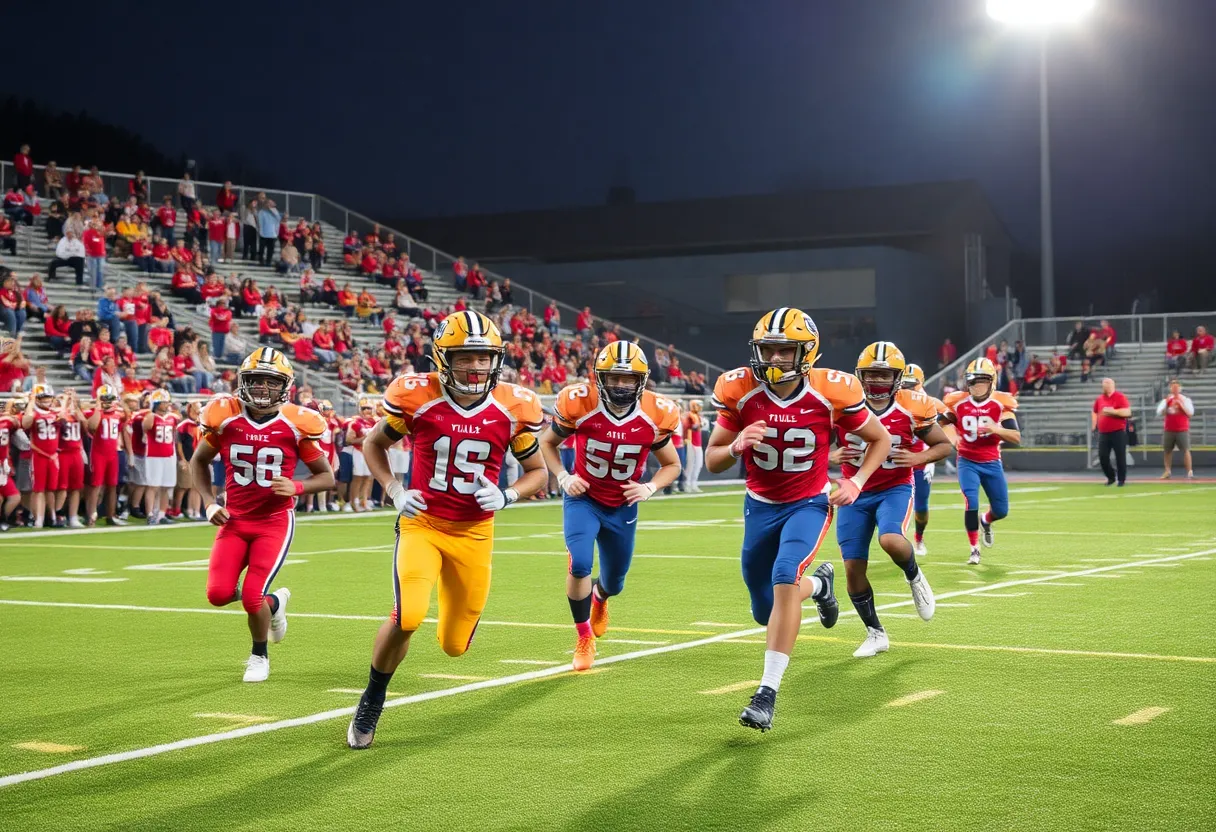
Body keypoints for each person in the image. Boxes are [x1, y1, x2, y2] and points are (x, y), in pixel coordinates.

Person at [345, 311, 548, 749]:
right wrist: (394, 489)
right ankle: (373, 697)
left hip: (475, 533)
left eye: (484, 357)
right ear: (442, 358)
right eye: (465, 357)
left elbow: (538, 472)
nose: (476, 366)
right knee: (409, 615)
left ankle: (454, 624)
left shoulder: (513, 406)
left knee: (455, 646)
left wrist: (509, 495)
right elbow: (372, 443)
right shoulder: (417, 396)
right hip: (423, 524)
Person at [705, 308, 890, 732]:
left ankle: (766, 693)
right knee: (763, 608)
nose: (773, 360)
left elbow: (879, 438)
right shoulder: (739, 390)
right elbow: (713, 460)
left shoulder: (833, 390)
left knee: (785, 573)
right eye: (766, 350)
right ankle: (821, 584)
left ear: (806, 353)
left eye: (783, 351)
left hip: (808, 502)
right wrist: (735, 446)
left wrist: (858, 482)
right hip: (759, 505)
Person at [191, 348, 334, 682]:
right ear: (243, 382)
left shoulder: (295, 424)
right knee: (218, 594)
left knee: (251, 594)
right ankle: (274, 603)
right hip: (235, 519)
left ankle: (259, 655)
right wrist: (209, 503)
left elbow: (326, 476)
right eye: (256, 381)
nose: (263, 389)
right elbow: (198, 462)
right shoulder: (224, 418)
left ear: (284, 386)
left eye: (271, 382)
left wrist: (297, 487)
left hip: (274, 521)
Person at [538, 342, 682, 671]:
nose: (620, 385)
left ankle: (600, 598)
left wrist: (649, 487)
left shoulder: (655, 413)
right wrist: (562, 477)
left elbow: (671, 464)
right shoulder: (581, 403)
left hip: (623, 505)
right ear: (599, 377)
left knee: (615, 580)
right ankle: (583, 636)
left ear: (641, 381)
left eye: (628, 378)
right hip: (583, 497)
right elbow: (547, 442)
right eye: (613, 377)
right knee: (580, 563)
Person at [829, 343, 949, 657]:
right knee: (852, 568)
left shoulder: (912, 405)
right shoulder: (841, 405)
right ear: (860, 375)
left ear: (898, 377)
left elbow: (944, 445)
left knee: (891, 540)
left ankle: (914, 575)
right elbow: (814, 445)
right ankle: (875, 632)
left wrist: (919, 456)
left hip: (894, 487)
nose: (877, 381)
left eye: (884, 374)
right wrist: (832, 455)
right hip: (855, 492)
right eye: (871, 374)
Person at [940, 358, 1020, 565]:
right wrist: (952, 437)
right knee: (971, 502)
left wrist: (996, 429)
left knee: (1001, 511)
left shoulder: (1001, 405)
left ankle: (986, 521)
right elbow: (941, 423)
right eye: (973, 381)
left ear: (991, 381)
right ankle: (974, 549)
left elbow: (1016, 437)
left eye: (982, 381)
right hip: (967, 460)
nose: (977, 386)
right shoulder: (958, 403)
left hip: (992, 461)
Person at [899, 364, 948, 555]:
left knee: (921, 507)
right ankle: (896, 537)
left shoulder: (930, 402)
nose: (908, 389)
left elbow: (951, 419)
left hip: (921, 460)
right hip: (897, 459)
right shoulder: (893, 399)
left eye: (912, 385)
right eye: (905, 384)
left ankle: (919, 538)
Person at [85, 385, 128, 526]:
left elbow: (127, 417)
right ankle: (91, 515)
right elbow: (91, 426)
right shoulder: (96, 412)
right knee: (96, 486)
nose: (108, 402)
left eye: (110, 399)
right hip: (98, 453)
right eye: (104, 399)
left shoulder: (117, 413)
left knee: (112, 486)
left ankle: (111, 515)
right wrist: (98, 407)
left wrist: (121, 402)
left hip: (113, 453)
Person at [22, 384, 62, 528]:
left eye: (48, 397)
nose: (46, 400)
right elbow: (25, 423)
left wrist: (68, 399)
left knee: (51, 489)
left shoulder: (54, 413)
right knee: (38, 489)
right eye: (43, 397)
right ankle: (38, 519)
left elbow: (65, 416)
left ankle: (51, 517)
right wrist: (31, 402)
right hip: (39, 456)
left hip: (53, 456)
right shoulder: (33, 413)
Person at [55, 389, 88, 527]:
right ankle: (57, 515)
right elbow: (60, 418)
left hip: (76, 452)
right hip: (63, 452)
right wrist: (64, 403)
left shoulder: (76, 414)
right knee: (62, 487)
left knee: (76, 487)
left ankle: (73, 517)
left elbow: (85, 425)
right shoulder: (58, 413)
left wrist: (75, 404)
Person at [1092, 377, 1131, 487]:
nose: (1105, 386)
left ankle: (1121, 480)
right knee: (1102, 456)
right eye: (1104, 385)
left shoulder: (1120, 397)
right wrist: (1094, 424)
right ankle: (1111, 477)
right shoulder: (1100, 399)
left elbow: (1127, 412)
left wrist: (1114, 412)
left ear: (1113, 385)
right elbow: (1094, 411)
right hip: (1104, 432)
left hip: (1118, 431)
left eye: (1108, 384)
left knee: (1120, 457)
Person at [1157, 379, 1194, 480]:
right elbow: (1160, 412)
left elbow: (1190, 413)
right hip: (1169, 429)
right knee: (1167, 450)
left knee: (1186, 450)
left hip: (1182, 429)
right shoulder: (1167, 400)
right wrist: (1167, 406)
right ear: (1170, 389)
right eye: (1173, 387)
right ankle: (1167, 471)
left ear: (1180, 388)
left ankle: (1189, 472)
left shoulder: (1185, 399)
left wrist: (1181, 405)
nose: (1175, 389)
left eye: (1177, 387)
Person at [683, 399, 705, 493]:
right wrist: (699, 424)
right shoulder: (689, 415)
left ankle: (694, 483)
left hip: (698, 442)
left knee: (698, 464)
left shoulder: (698, 416)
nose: (700, 407)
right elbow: (689, 427)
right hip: (691, 441)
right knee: (690, 464)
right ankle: (686, 484)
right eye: (698, 405)